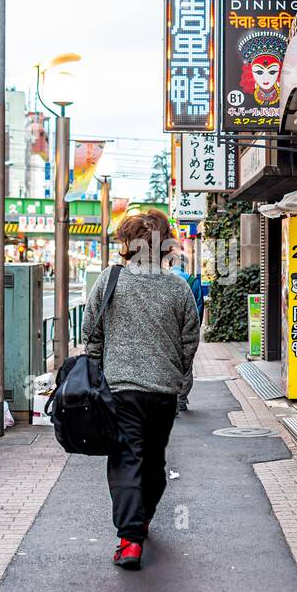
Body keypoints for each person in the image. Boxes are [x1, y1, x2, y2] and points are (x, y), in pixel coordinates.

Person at [84, 209, 200, 570]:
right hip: (163, 393)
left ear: (127, 244)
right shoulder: (178, 286)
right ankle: (141, 519)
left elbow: (91, 334)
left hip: (120, 390)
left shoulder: (110, 280)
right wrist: (181, 386)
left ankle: (130, 539)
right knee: (153, 462)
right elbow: (189, 341)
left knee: (126, 461)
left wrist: (97, 373)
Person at [169, 258, 204, 412]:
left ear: (170, 264)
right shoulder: (193, 281)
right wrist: (196, 328)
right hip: (186, 328)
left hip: (168, 328)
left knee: (168, 361)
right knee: (185, 362)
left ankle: (170, 396)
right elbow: (199, 308)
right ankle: (181, 399)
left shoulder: (165, 278)